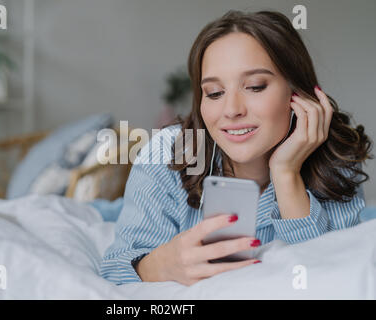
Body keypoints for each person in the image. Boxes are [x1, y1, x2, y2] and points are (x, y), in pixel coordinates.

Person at [99, 10, 373, 286]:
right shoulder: (166, 154)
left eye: (254, 86)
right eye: (215, 93)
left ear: (297, 93)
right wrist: (154, 268)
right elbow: (114, 271)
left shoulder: (336, 157)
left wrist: (286, 173)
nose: (231, 110)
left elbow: (332, 277)